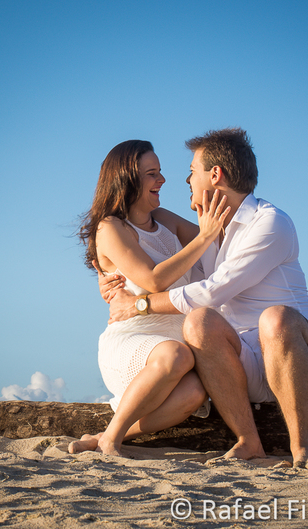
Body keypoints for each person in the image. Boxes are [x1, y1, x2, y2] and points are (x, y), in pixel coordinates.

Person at [102, 128, 308, 469]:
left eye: (191, 171)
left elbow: (212, 290)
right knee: (198, 321)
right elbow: (183, 284)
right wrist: (110, 281)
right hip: (239, 364)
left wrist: (138, 304)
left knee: (274, 319)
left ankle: (303, 449)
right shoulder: (210, 231)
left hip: (295, 356)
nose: (185, 180)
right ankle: (249, 441)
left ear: (215, 174)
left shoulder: (269, 223)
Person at [68, 139, 230, 457]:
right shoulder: (111, 228)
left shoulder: (166, 220)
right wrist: (205, 235)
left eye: (160, 172)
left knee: (195, 391)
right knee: (175, 356)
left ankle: (106, 435)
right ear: (127, 179)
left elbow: (223, 242)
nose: (162, 180)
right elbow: (154, 280)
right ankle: (112, 441)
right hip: (134, 341)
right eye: (151, 173)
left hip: (177, 349)